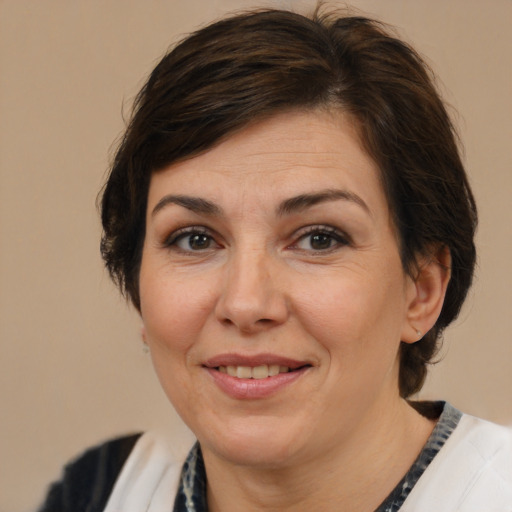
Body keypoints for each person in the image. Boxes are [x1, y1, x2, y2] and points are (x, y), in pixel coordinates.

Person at [38, 6, 512, 512]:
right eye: (195, 240)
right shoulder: (94, 492)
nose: (245, 304)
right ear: (137, 287)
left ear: (422, 290)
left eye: (319, 239)